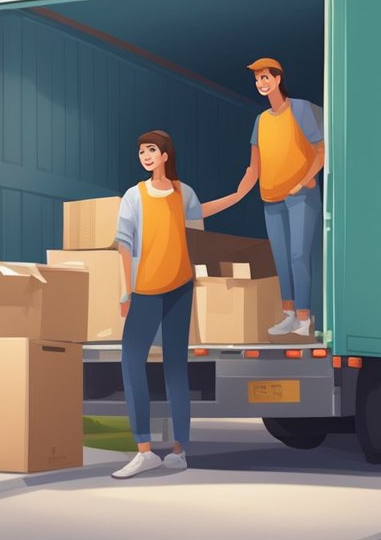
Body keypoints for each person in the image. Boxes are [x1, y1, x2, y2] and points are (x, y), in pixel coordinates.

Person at [111, 130, 238, 479]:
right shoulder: (133, 196)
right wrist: (126, 291)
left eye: (151, 150)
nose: (146, 156)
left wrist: (238, 195)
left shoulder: (184, 193)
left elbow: (200, 218)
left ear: (166, 154)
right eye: (141, 151)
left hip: (181, 286)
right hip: (146, 289)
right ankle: (144, 449)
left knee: (175, 366)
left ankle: (179, 450)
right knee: (131, 360)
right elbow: (123, 244)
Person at [231, 58, 326, 338]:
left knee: (299, 255)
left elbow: (321, 150)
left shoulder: (300, 109)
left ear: (278, 78)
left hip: (300, 196)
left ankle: (304, 317)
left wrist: (304, 181)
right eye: (257, 79)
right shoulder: (260, 121)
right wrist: (238, 194)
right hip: (270, 198)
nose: (261, 83)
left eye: (265, 77)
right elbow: (254, 168)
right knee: (282, 257)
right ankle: (288, 314)